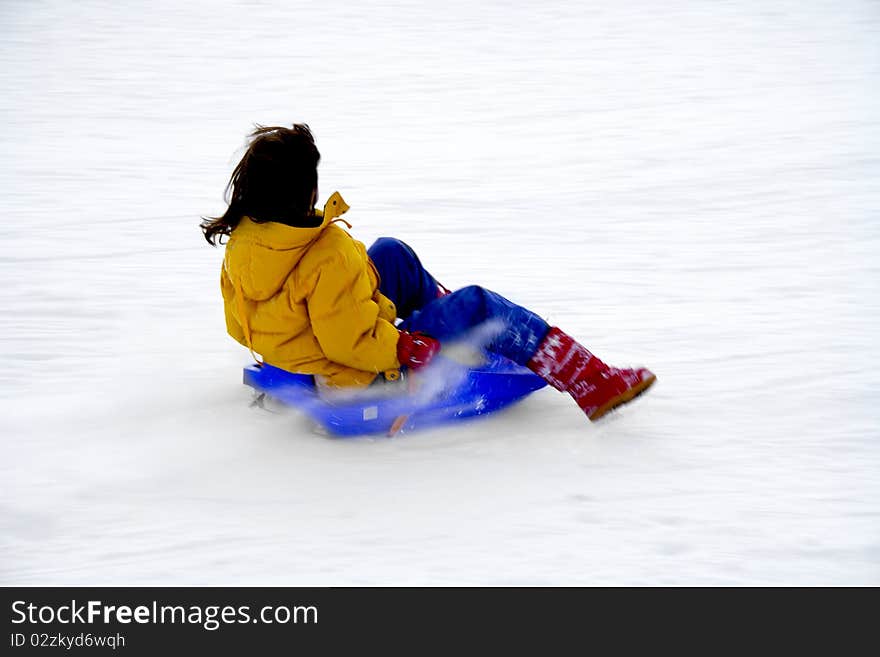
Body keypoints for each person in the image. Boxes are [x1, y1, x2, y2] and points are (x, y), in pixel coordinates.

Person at [201, 124, 655, 421]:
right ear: (306, 189)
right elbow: (347, 341)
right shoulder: (328, 253)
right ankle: (593, 384)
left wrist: (289, 348)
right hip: (358, 370)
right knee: (479, 304)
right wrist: (402, 346)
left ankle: (442, 312)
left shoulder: (246, 240)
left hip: (304, 346)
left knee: (390, 253)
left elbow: (238, 325)